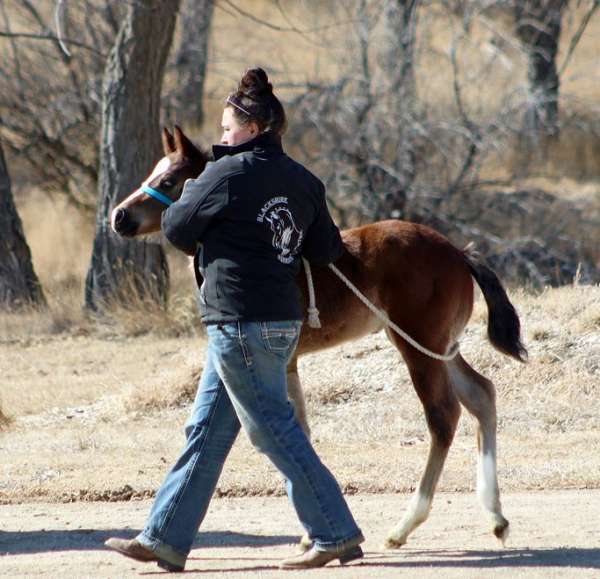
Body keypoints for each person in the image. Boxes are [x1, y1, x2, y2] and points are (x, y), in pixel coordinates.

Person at [105, 68, 364, 572]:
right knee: (205, 429)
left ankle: (336, 532)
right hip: (280, 322)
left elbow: (178, 230)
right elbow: (327, 249)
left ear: (251, 129)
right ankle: (164, 538)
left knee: (270, 428)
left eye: (227, 129)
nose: (222, 138)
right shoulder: (305, 181)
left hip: (238, 323)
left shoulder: (223, 174)